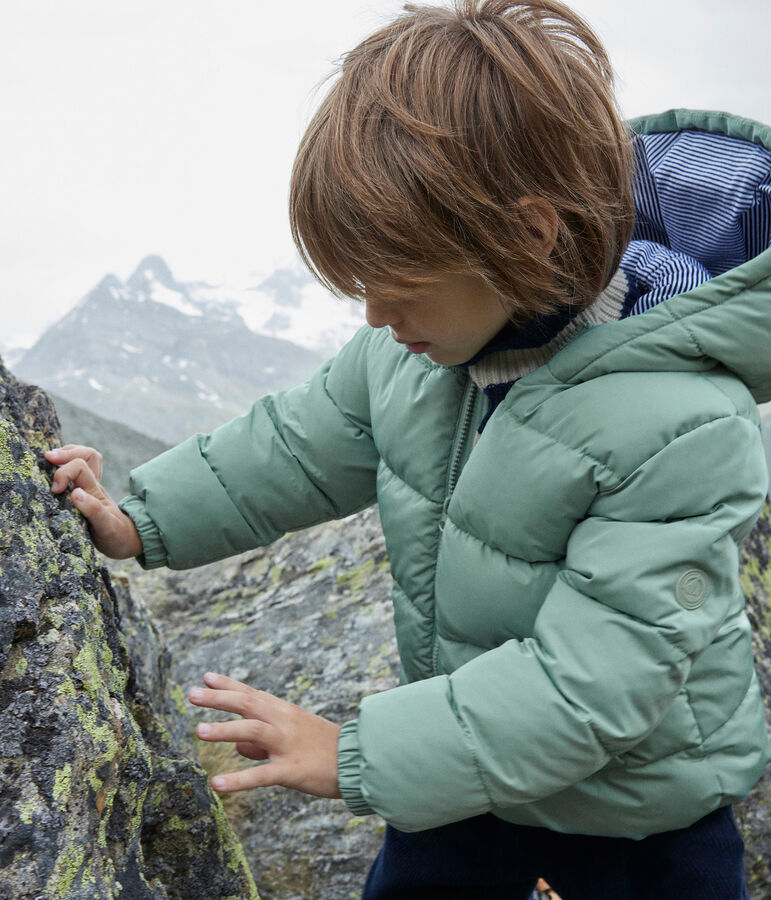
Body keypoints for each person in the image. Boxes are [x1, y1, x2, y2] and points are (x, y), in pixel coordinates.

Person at [46, 1, 771, 897]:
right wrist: (139, 519)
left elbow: (594, 688)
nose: (373, 317)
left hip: (635, 820)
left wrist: (351, 751)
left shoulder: (681, 418)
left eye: (398, 285)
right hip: (458, 779)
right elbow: (292, 449)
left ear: (528, 235)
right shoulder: (411, 352)